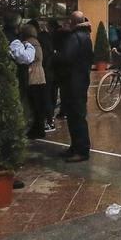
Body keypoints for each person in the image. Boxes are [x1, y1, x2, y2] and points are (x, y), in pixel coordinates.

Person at [59, 11, 93, 162]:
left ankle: (81, 149)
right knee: (76, 115)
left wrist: (55, 57)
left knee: (76, 116)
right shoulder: (86, 36)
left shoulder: (75, 37)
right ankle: (76, 147)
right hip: (81, 80)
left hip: (74, 81)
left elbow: (66, 57)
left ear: (73, 22)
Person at [9, 24, 48, 138]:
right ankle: (39, 129)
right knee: (39, 105)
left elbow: (26, 58)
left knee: (34, 105)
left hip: (33, 76)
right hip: (41, 76)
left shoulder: (29, 43)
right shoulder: (37, 41)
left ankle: (36, 130)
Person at [35, 21, 57, 133]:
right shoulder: (49, 40)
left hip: (44, 72)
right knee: (49, 96)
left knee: (44, 97)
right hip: (51, 73)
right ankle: (50, 119)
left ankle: (48, 121)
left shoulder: (39, 41)